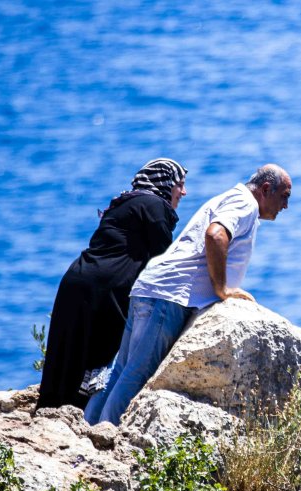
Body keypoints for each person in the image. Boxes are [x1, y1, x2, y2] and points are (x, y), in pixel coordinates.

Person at [85, 164, 292, 425]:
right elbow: (216, 235)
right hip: (170, 297)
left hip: (152, 288)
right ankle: (104, 441)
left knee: (119, 373)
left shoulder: (234, 198)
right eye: (284, 196)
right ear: (265, 189)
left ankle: (87, 432)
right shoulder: (245, 204)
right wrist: (222, 289)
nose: (285, 206)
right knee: (135, 376)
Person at [37, 158, 188, 410]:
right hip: (104, 290)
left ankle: (52, 412)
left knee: (68, 354)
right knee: (102, 358)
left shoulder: (127, 201)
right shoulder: (155, 206)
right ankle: (84, 418)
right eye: (179, 184)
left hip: (78, 280)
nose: (184, 192)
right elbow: (165, 263)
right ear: (164, 183)